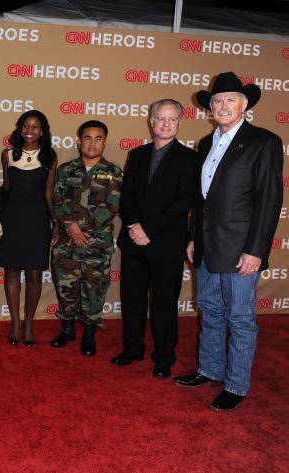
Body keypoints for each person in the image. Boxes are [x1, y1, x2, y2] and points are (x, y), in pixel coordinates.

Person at [174, 71, 284, 411]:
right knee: (210, 311)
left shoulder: (263, 141)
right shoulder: (205, 144)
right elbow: (201, 201)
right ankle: (210, 368)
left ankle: (236, 384)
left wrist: (256, 251)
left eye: (230, 100)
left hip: (240, 251)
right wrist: (193, 238)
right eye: (217, 101)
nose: (223, 105)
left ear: (244, 105)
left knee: (239, 319)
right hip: (206, 247)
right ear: (210, 108)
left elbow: (269, 200)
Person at [113, 99, 198, 379]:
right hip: (134, 241)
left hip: (166, 244)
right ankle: (133, 349)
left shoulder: (189, 159)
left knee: (164, 303)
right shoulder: (137, 155)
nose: (165, 124)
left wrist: (147, 229)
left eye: (172, 119)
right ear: (151, 120)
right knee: (132, 299)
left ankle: (164, 357)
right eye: (161, 118)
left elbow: (183, 202)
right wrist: (135, 226)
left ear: (179, 123)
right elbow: (126, 196)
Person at [50, 120, 122, 356]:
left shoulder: (114, 172)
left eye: (98, 138)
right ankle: (68, 330)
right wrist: (70, 227)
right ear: (79, 141)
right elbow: (57, 200)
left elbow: (113, 206)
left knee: (94, 291)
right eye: (88, 138)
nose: (92, 143)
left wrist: (83, 230)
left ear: (104, 142)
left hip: (96, 244)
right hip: (67, 243)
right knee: (66, 288)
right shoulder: (66, 170)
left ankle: (89, 336)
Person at [0, 110, 59, 347]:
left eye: (35, 126)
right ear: (19, 128)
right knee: (12, 271)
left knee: (34, 273)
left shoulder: (50, 157)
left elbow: (48, 192)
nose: (29, 131)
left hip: (37, 220)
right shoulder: (8, 154)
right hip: (13, 218)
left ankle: (30, 323)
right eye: (26, 126)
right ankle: (15, 322)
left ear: (42, 130)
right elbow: (7, 188)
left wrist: (56, 223)